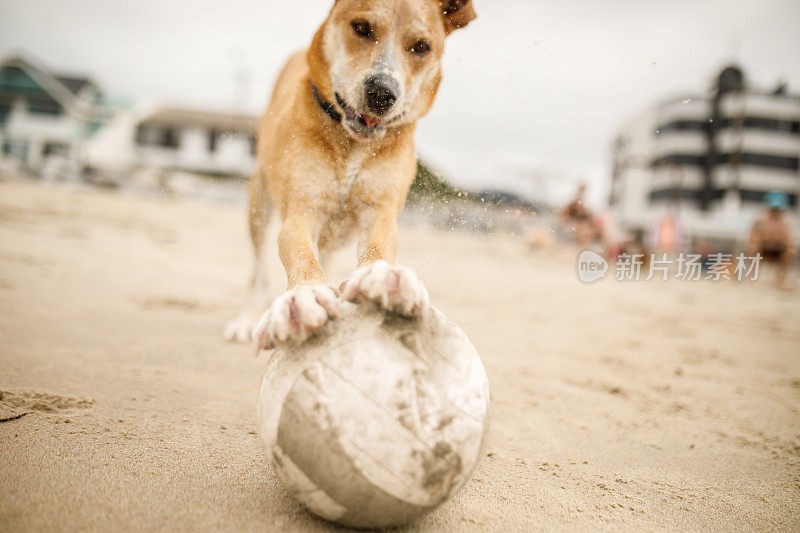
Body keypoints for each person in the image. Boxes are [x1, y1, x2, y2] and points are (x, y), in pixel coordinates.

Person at [747, 191, 797, 289]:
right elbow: (753, 238)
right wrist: (763, 242)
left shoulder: (785, 224)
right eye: (773, 209)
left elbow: (789, 242)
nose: (775, 211)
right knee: (753, 247)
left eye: (777, 209)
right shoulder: (760, 221)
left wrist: (778, 243)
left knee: (790, 251)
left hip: (778, 250)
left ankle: (780, 280)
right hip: (763, 249)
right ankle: (752, 276)